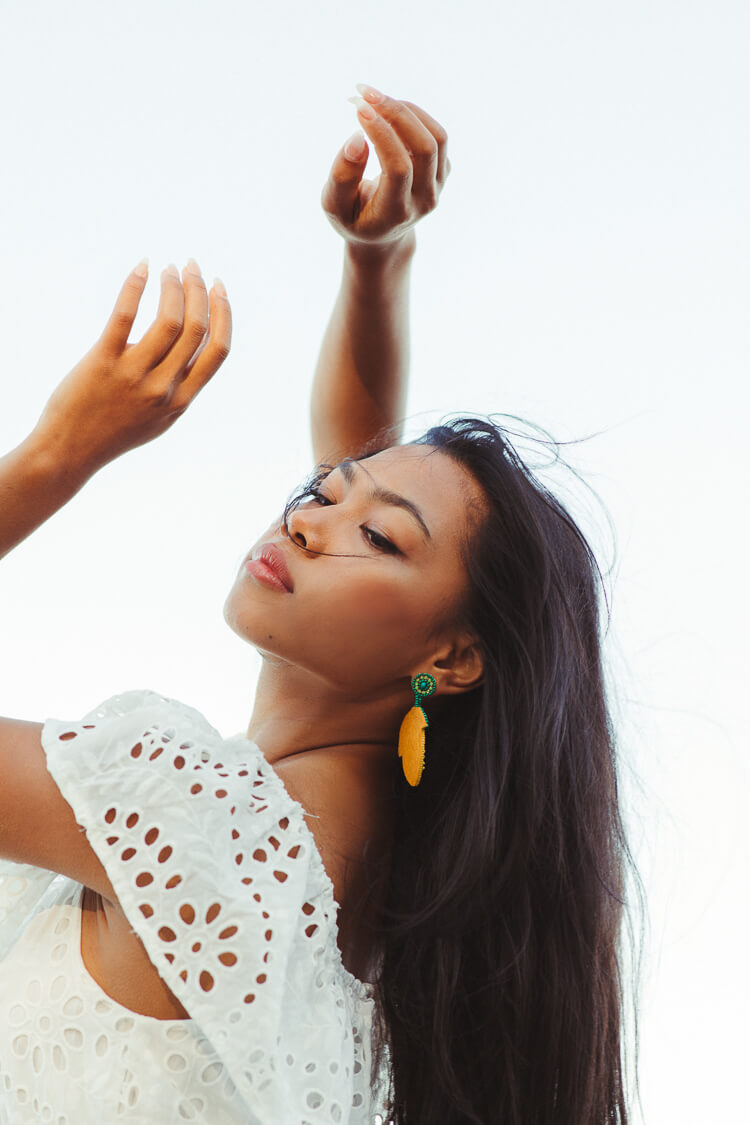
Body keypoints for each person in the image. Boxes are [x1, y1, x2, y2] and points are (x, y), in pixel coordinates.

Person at [0, 84, 639, 1124]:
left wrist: (58, 452)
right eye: (319, 496)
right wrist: (376, 263)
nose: (307, 521)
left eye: (377, 537)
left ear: (455, 654)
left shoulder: (188, 809)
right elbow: (373, 474)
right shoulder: (391, 928)